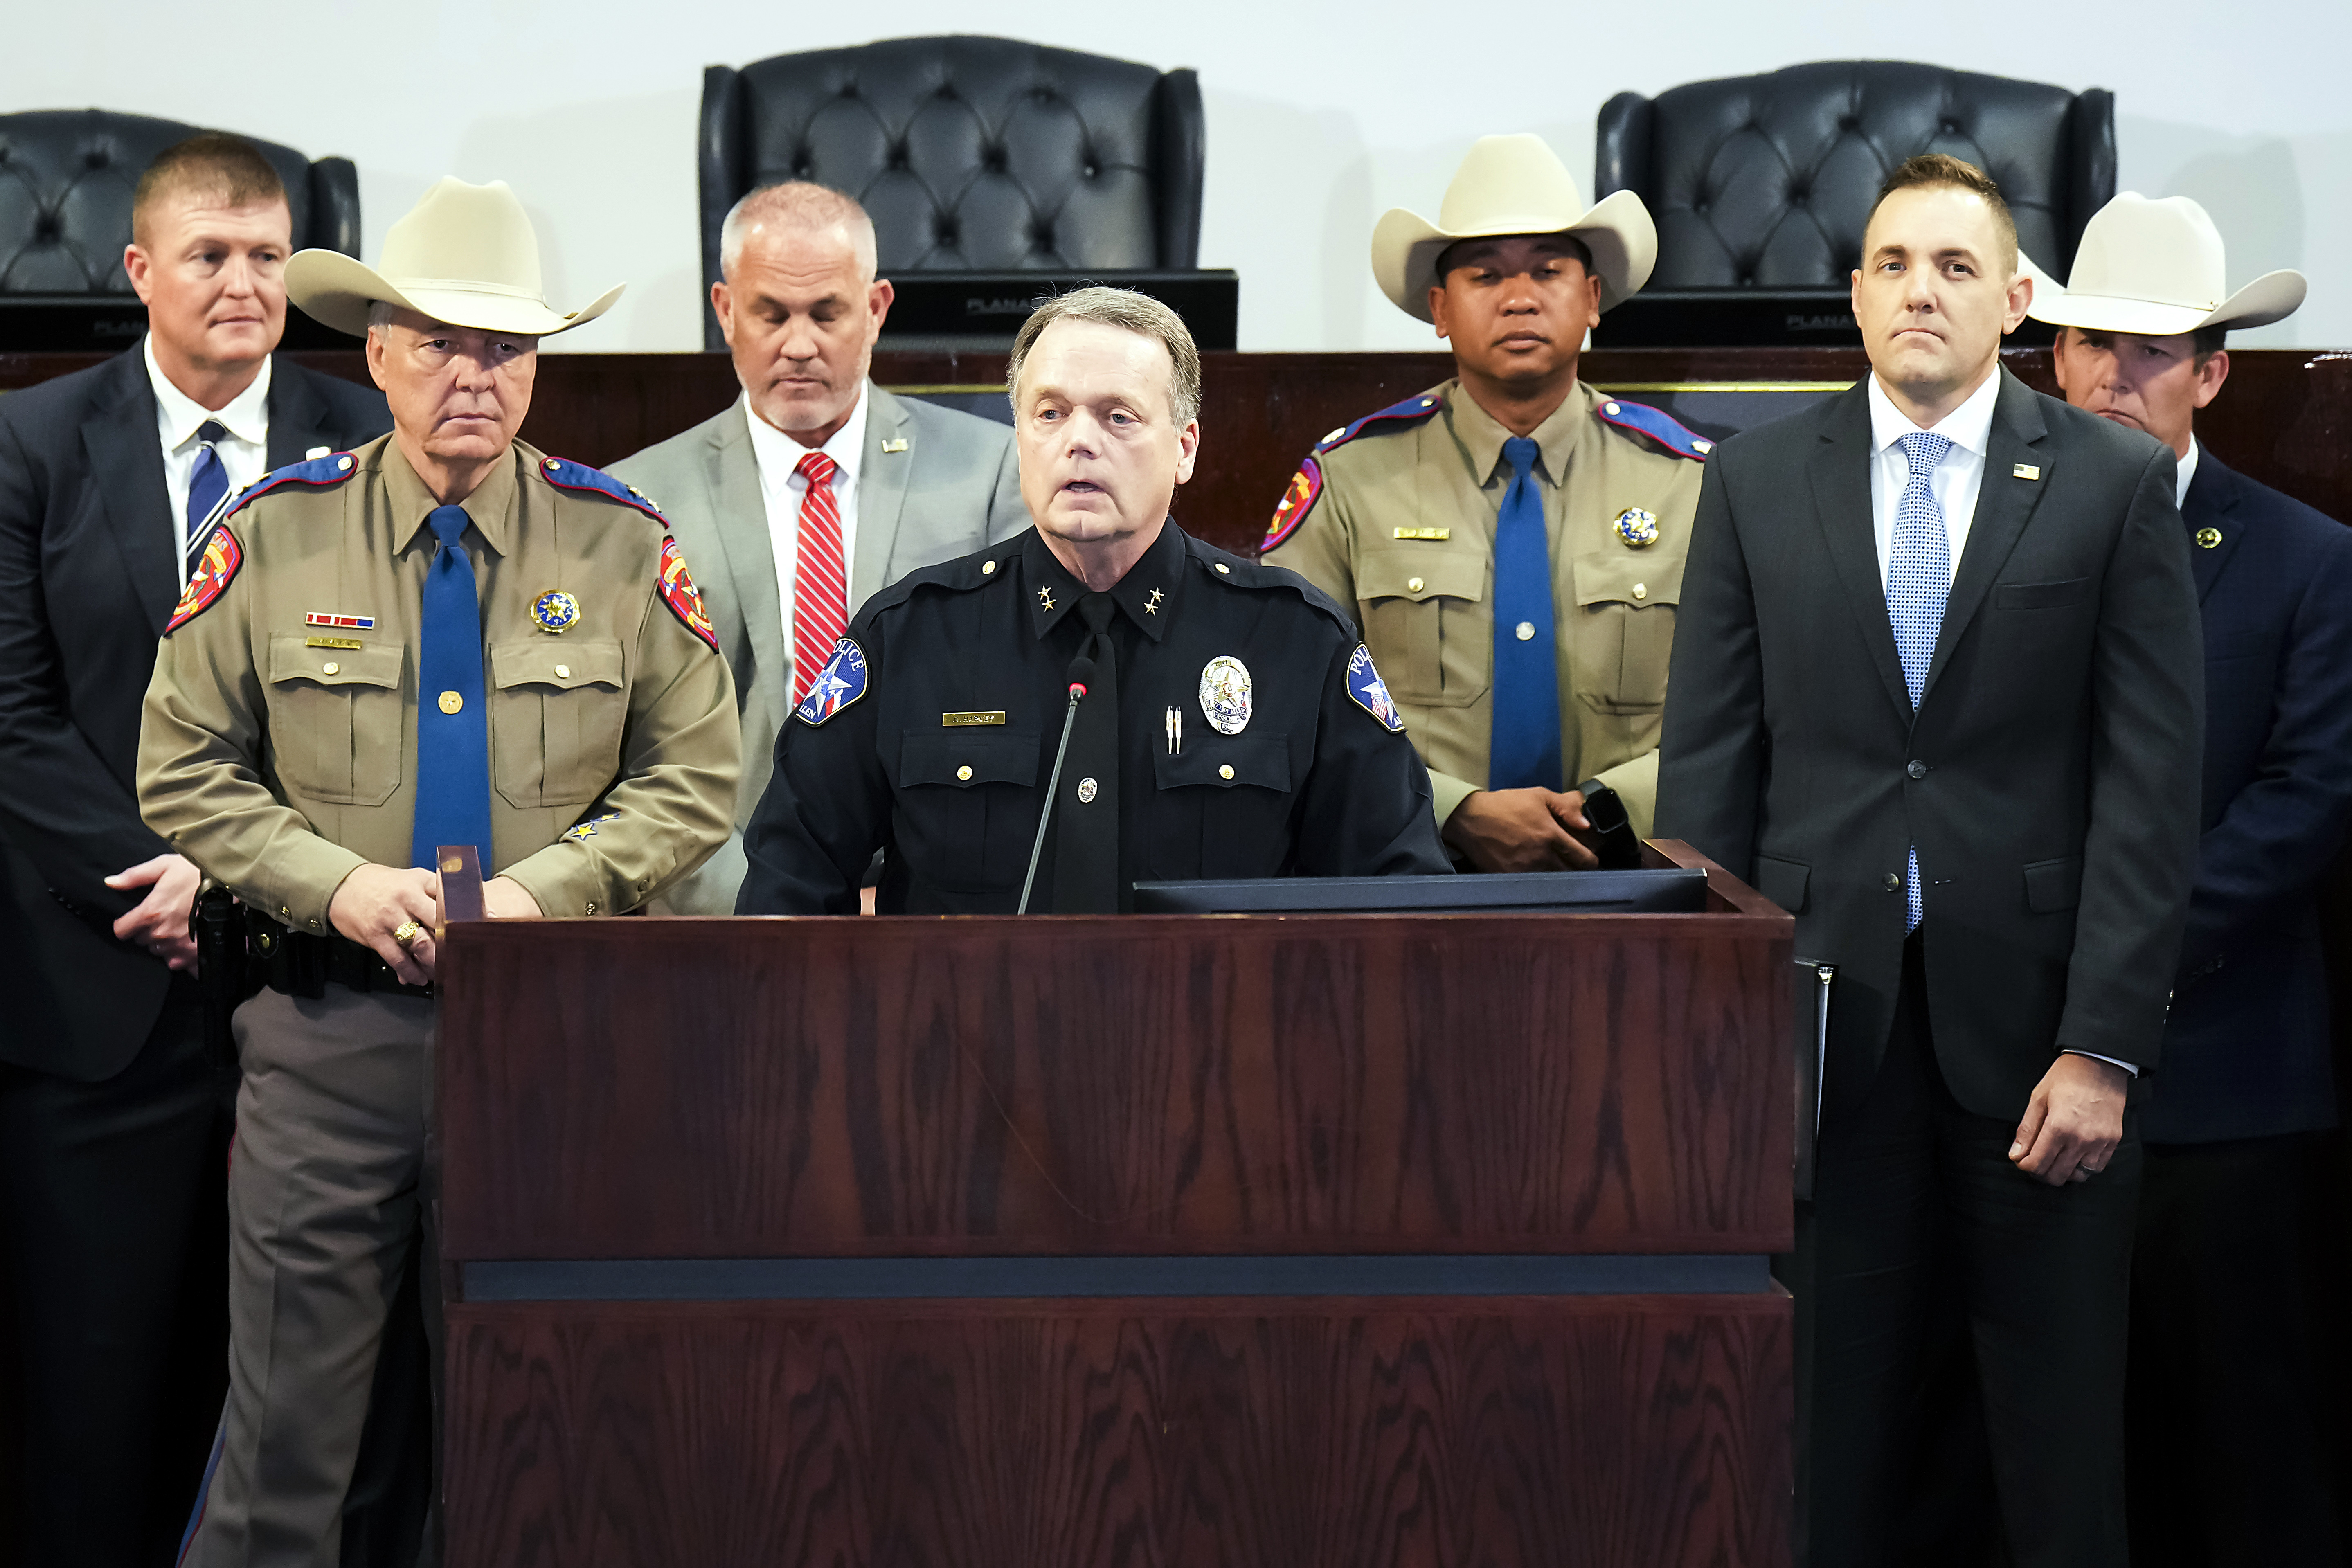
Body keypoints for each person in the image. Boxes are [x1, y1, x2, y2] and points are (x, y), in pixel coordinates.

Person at [137, 176, 739, 1566]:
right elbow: (181, 768)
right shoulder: (277, 537)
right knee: (286, 1454)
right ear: (378, 352)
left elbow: (697, 775)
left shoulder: (623, 542)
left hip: (558, 1049)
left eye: (509, 347)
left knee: (548, 1440)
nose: (477, 374)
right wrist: (331, 882)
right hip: (328, 1044)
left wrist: (549, 893)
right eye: (443, 339)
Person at [1655, 155, 2202, 1568]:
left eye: (1957, 267)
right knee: (1821, 1444)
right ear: (1854, 293)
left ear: (2019, 300)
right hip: (1822, 1045)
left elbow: (2151, 789)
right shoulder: (1757, 477)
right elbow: (1712, 781)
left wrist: (2105, 1046)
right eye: (1894, 263)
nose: (1920, 290)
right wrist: (1724, 1040)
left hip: (2038, 1053)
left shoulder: (2113, 482)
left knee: (2057, 1450)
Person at [0, 131, 389, 1568]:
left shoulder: (366, 439)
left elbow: (404, 708)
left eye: (271, 256)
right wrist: (157, 868)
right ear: (140, 271)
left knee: (308, 1404)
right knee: (95, 1398)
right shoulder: (32, 443)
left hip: (322, 981)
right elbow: (15, 712)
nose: (244, 282)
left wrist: (235, 870)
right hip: (96, 985)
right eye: (213, 255)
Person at [736, 286, 1449, 915]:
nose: (1079, 442)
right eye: (1050, 413)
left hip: (1218, 1053)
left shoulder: (1298, 642)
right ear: (1020, 440)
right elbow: (788, 889)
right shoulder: (910, 637)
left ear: (1184, 448)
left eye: (1118, 418)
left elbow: (1401, 898)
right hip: (959, 1054)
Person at [2035, 193, 2352, 1568]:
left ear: (2215, 373)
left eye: (2158, 351)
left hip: (2225, 1083)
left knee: (2241, 1449)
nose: (2119, 374)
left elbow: (2308, 803)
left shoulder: (2307, 560)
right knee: (2051, 1444)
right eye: (2096, 342)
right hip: (2013, 1065)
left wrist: (2114, 963)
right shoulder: (1979, 543)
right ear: (2052, 357)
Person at [1262, 135, 1710, 871]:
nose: (1520, 297)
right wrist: (1452, 809)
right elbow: (1287, 692)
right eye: (1484, 274)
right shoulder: (1349, 480)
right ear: (1439, 308)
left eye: (1548, 269)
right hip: (1409, 876)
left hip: (1637, 881)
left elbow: (1745, 706)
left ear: (1593, 298)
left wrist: (1608, 810)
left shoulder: (1687, 482)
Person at [612, 182, 1026, 912]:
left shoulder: (994, 474)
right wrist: (767, 904)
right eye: (770, 313)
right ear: (725, 311)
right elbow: (629, 756)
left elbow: (1025, 716)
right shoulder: (636, 502)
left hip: (933, 913)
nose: (797, 345)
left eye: (826, 313)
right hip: (716, 913)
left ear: (874, 311)